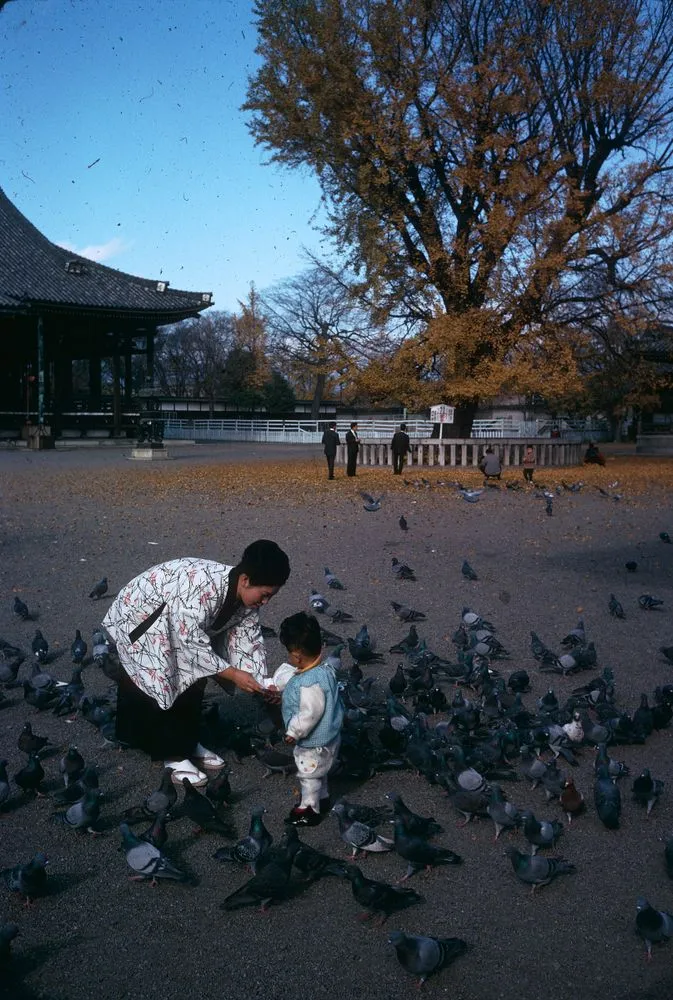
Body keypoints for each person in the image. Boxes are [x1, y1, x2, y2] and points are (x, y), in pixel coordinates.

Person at [101, 540, 291, 786]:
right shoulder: (205, 588)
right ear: (245, 580)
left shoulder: (245, 600)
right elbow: (189, 642)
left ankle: (187, 743)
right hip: (142, 615)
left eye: (271, 597)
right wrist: (232, 673)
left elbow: (249, 641)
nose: (265, 602)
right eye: (264, 594)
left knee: (195, 674)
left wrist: (263, 683)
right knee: (164, 675)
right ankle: (171, 753)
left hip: (174, 619)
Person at [280, 611, 344, 826]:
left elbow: (311, 712)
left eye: (289, 653)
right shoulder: (325, 670)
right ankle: (323, 797)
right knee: (320, 771)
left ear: (297, 655)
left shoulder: (309, 683)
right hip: (329, 737)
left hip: (313, 741)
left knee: (309, 775)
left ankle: (309, 808)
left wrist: (294, 732)